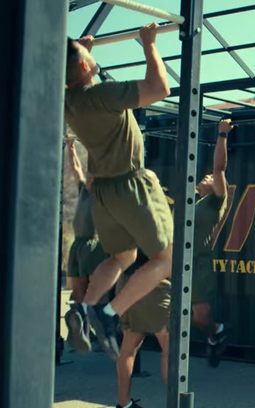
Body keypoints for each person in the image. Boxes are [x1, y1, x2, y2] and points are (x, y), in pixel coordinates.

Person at [64, 23, 174, 359]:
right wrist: (149, 45)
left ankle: (84, 308)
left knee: (122, 257)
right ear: (85, 67)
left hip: (104, 192)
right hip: (131, 184)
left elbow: (75, 74)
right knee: (167, 259)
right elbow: (160, 88)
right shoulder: (102, 96)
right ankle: (109, 313)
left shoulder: (70, 101)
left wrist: (84, 55)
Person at [63, 135, 109, 355]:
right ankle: (82, 333)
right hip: (78, 245)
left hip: (93, 245)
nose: (89, 176)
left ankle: (102, 334)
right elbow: (76, 168)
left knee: (96, 293)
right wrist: (71, 147)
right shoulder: (83, 187)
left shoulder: (102, 193)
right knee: (78, 290)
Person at [192, 119, 232, 367]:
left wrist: (222, 135)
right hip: (177, 262)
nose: (205, 177)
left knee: (199, 317)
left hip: (198, 263)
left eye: (207, 176)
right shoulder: (195, 202)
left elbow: (219, 169)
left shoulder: (216, 200)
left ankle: (216, 330)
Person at [112, 252, 169, 408]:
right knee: (171, 345)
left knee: (129, 346)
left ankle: (124, 406)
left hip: (127, 281)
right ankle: (179, 406)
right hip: (153, 283)